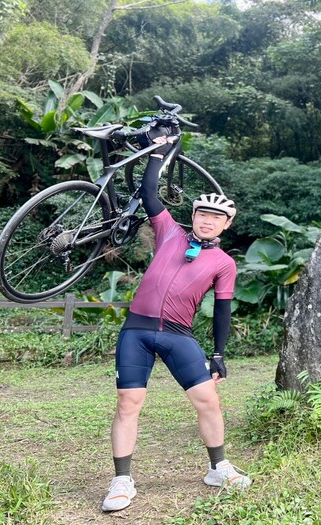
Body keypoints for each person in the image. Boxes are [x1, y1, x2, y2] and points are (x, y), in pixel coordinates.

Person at [102, 125, 250, 512]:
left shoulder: (224, 262)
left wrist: (218, 353)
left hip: (179, 335)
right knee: (128, 403)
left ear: (225, 225)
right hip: (137, 330)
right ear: (194, 215)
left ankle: (218, 467)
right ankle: (122, 481)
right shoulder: (170, 232)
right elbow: (149, 193)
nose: (207, 220)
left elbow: (222, 308)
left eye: (216, 217)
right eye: (202, 213)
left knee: (208, 401)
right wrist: (156, 152)